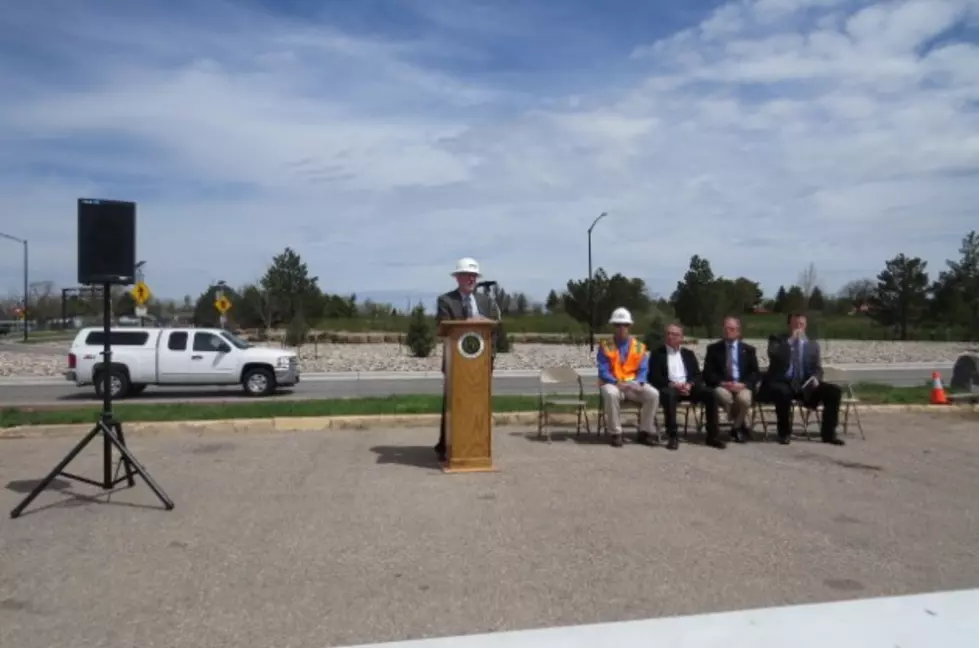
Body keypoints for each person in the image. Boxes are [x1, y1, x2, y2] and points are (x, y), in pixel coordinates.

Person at [433, 257, 493, 461]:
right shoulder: (446, 300)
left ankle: (477, 446)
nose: (471, 279)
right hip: (456, 363)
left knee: (479, 404)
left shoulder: (486, 301)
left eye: (474, 276)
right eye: (467, 275)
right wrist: (470, 321)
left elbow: (494, 329)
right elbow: (443, 325)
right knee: (453, 403)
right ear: (457, 278)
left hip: (481, 362)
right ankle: (447, 445)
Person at [759, 312, 844, 446]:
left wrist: (816, 378)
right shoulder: (777, 340)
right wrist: (790, 341)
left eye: (801, 324)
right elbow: (773, 355)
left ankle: (828, 434)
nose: (798, 328)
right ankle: (784, 433)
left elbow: (817, 368)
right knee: (782, 393)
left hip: (804, 384)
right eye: (795, 324)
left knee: (834, 392)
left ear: (805, 326)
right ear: (789, 325)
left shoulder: (812, 345)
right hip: (783, 382)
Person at [649, 322, 725, 450]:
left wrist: (690, 384)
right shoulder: (657, 354)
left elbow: (697, 374)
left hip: (689, 387)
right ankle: (673, 436)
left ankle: (713, 436)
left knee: (710, 393)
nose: (670, 336)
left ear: (681, 338)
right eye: (668, 333)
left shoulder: (688, 354)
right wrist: (673, 385)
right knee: (669, 394)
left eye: (674, 334)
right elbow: (654, 377)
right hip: (670, 387)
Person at [597, 307, 660, 448]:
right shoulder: (605, 346)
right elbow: (603, 370)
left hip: (633, 384)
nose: (621, 328)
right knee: (610, 393)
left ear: (629, 326)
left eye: (624, 325)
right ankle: (616, 433)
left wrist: (639, 382)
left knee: (653, 394)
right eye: (618, 325)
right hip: (613, 383)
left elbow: (644, 369)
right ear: (613, 327)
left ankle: (645, 431)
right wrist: (616, 382)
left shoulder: (639, 346)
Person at [703, 316, 761, 443]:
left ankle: (735, 428)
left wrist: (743, 384)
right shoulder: (713, 349)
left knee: (745, 400)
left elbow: (755, 373)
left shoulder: (748, 350)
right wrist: (723, 383)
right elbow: (708, 373)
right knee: (722, 395)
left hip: (741, 385)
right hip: (722, 385)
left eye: (731, 329)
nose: (728, 331)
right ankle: (740, 424)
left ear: (738, 331)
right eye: (725, 328)